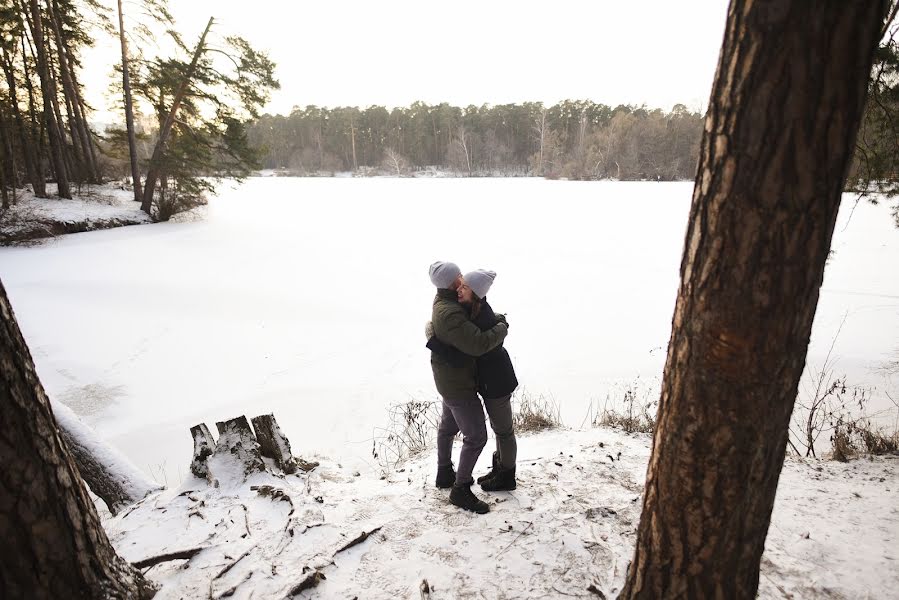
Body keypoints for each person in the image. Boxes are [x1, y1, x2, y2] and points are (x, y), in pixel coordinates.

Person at [427, 261, 508, 514]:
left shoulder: (446, 302)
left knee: (448, 426)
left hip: (448, 379)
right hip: (458, 384)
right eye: (460, 276)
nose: (463, 279)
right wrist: (502, 328)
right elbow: (477, 343)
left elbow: (473, 322)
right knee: (476, 437)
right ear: (453, 281)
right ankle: (460, 489)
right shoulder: (450, 312)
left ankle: (444, 473)